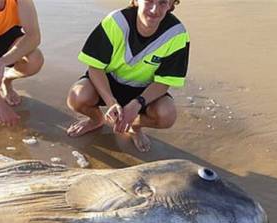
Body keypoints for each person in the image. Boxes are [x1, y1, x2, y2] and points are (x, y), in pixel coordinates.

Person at [66, 0, 189, 152]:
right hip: (108, 81)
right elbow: (95, 67)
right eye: (149, 1)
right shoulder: (116, 22)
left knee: (167, 115)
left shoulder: (177, 34)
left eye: (163, 2)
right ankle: (96, 120)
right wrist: (111, 102)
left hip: (144, 90)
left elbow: (163, 83)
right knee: (77, 97)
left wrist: (138, 103)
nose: (154, 9)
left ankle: (134, 126)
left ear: (171, 5)